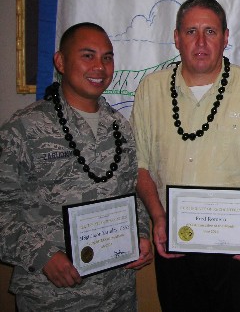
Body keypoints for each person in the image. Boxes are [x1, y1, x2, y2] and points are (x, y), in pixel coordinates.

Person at [132, 0, 240, 312]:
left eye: (211, 32)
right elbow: (140, 164)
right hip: (176, 241)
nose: (201, 42)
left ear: (226, 37)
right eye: (191, 32)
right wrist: (158, 217)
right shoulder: (151, 89)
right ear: (176, 38)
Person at [0, 22, 152, 311]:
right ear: (60, 61)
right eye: (87, 55)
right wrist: (41, 255)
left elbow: (132, 194)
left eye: (107, 57)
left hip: (117, 292)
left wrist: (142, 234)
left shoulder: (120, 127)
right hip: (53, 295)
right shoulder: (24, 129)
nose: (100, 66)